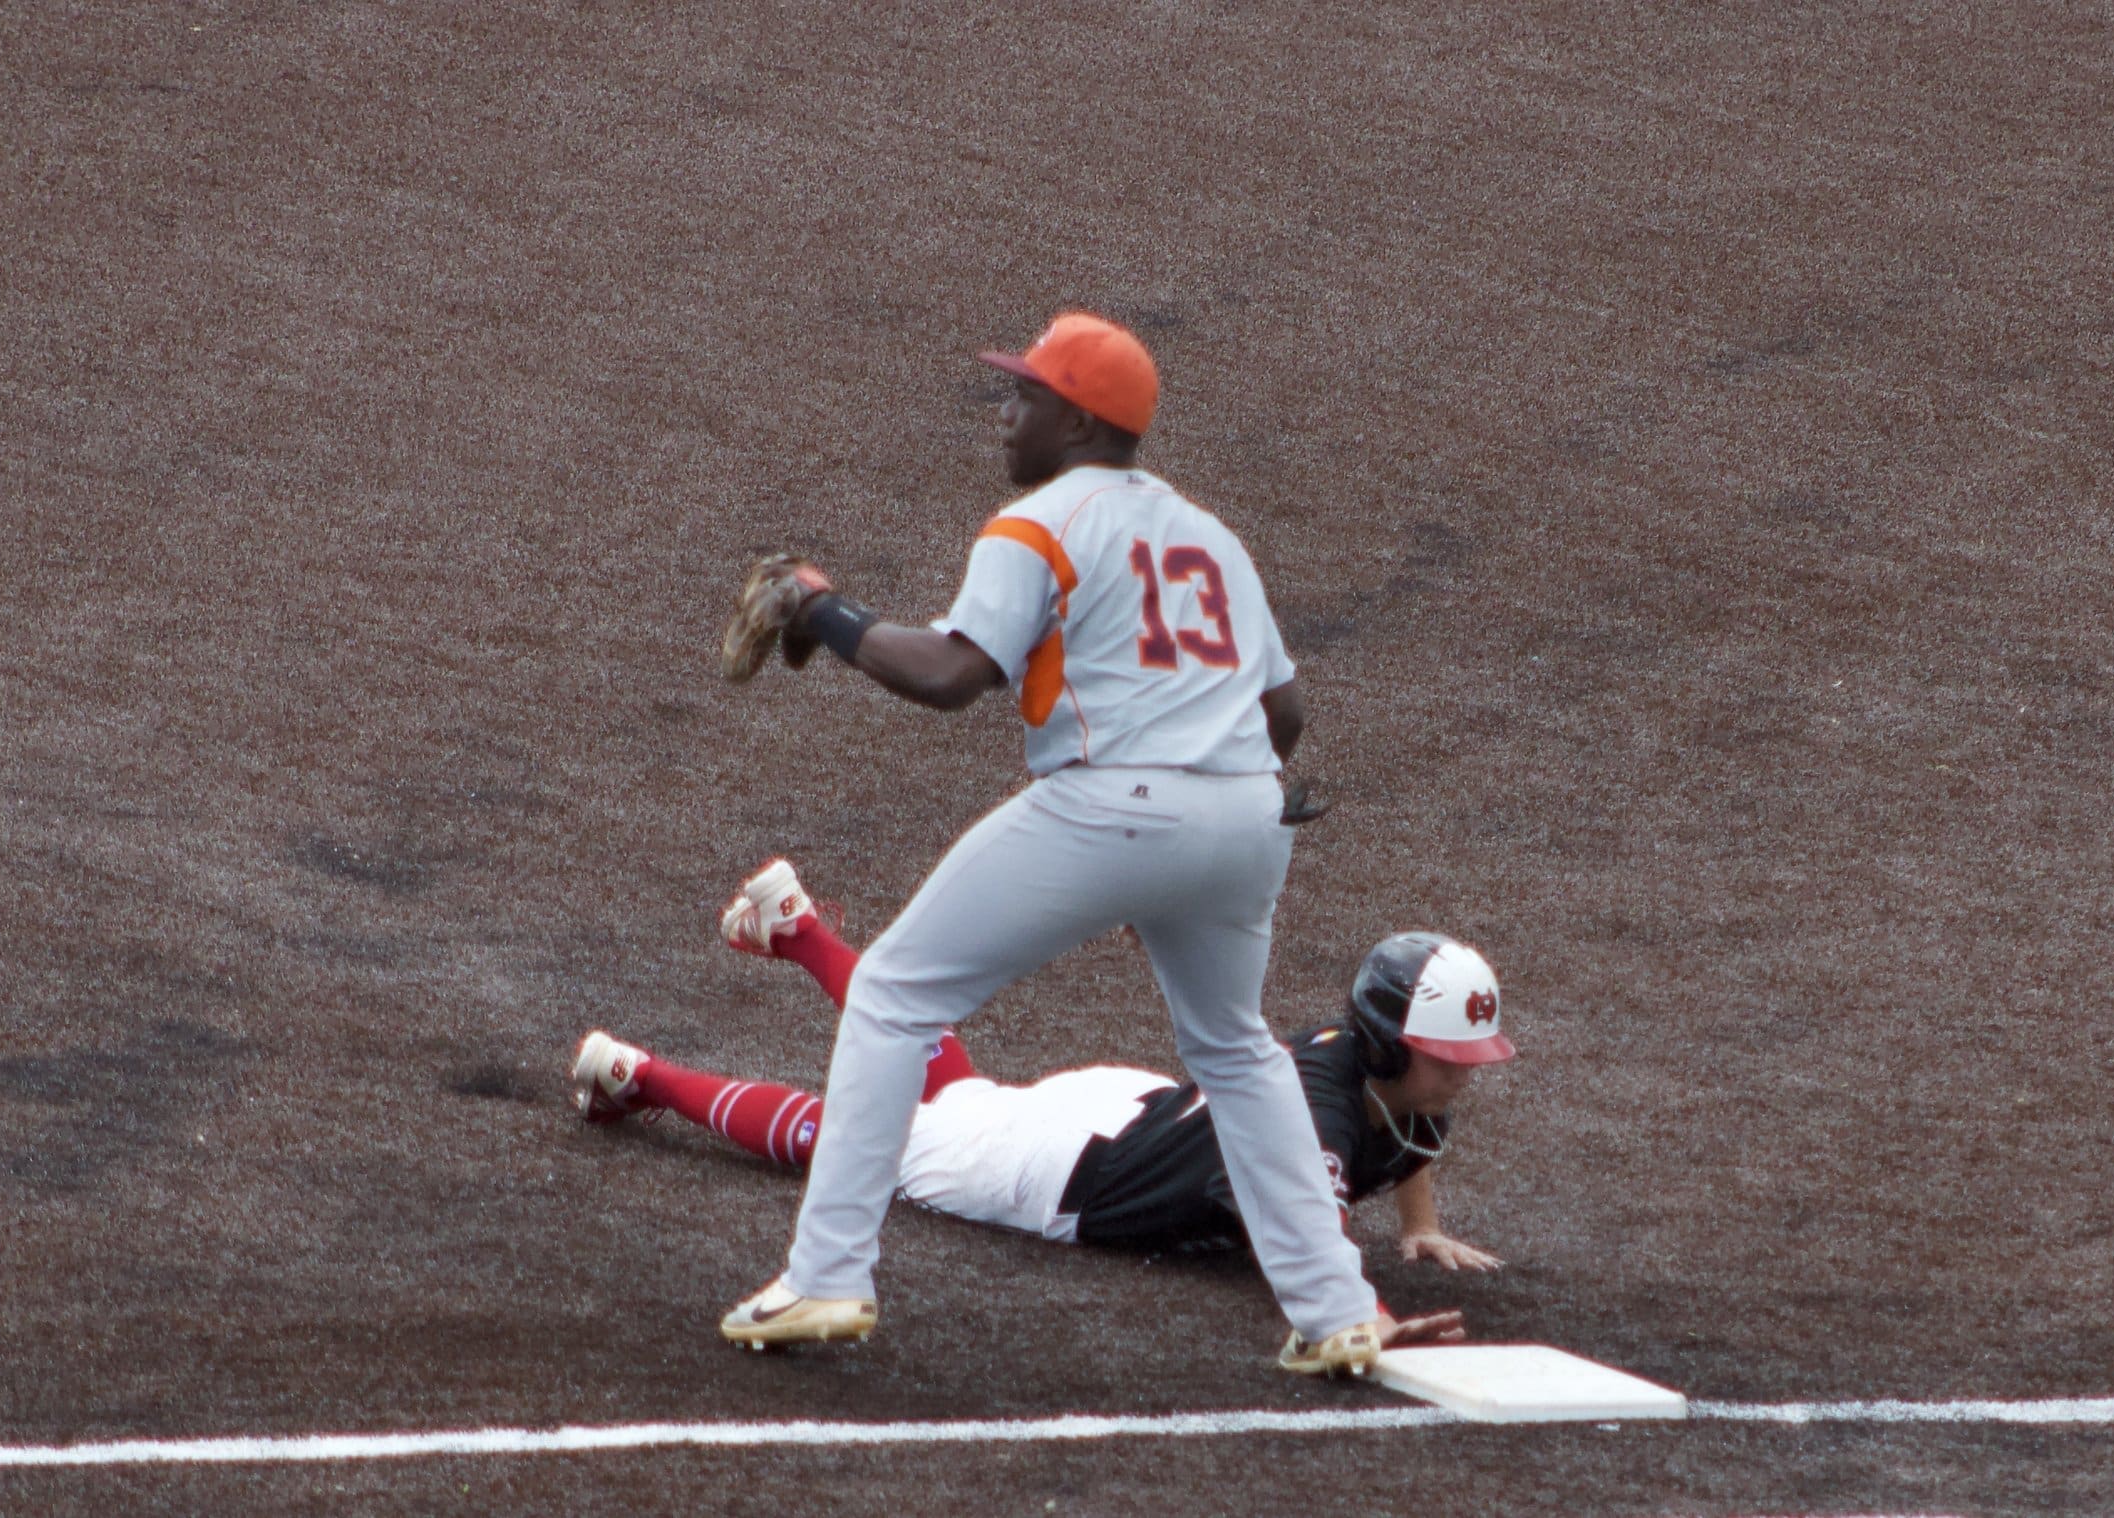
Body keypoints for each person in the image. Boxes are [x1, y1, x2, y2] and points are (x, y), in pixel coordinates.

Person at [711, 313, 1389, 1374]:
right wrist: (1202, 833)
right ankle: (1336, 1305)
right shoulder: (1213, 537)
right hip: (1245, 816)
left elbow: (948, 675)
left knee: (892, 993)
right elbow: (1285, 715)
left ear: (1078, 419)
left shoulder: (1035, 524)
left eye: (1023, 395)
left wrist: (824, 611)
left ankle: (826, 1278)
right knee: (1234, 1047)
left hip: (1113, 806)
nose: (1005, 413)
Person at [570, 859, 1515, 1351]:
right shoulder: (1321, 1107)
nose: (1463, 1072)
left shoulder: (1392, 1080)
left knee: (950, 1093)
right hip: (1069, 1167)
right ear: (1391, 1040)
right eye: (1448, 1054)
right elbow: (1303, 1236)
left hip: (1125, 1113)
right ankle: (637, 1075)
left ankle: (802, 930)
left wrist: (1418, 1223)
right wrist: (1367, 1315)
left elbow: (1412, 1133)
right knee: (861, 1138)